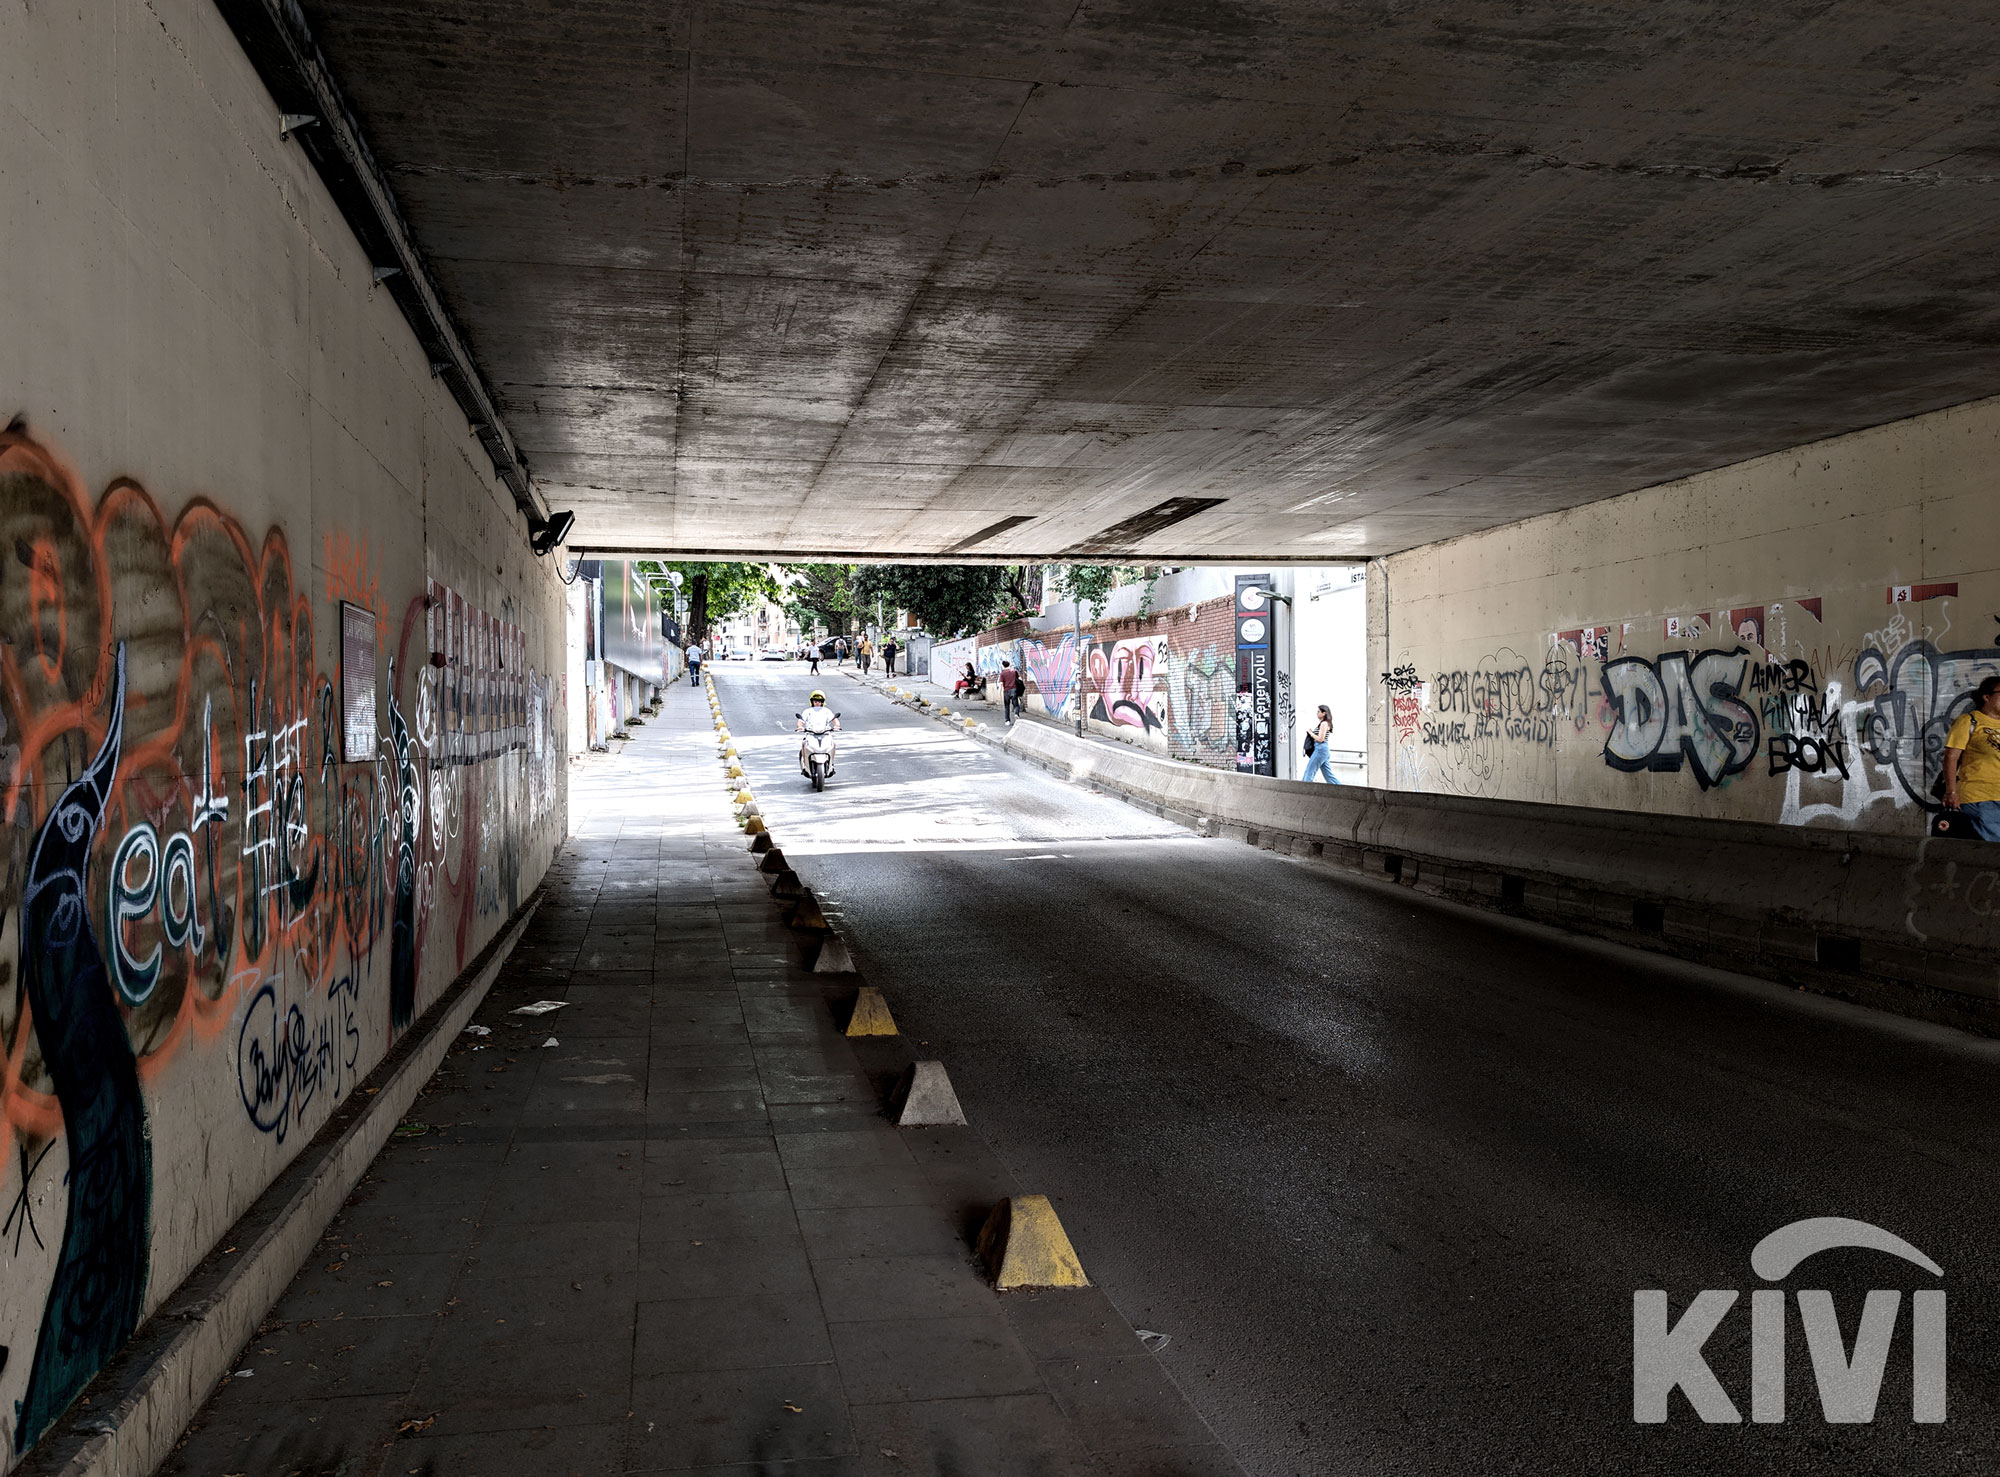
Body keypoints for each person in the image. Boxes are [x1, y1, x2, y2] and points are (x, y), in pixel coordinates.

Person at [1942, 674, 2000, 840]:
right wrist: (1951, 792)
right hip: (1980, 798)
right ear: (1987, 697)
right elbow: (1951, 758)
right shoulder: (1969, 721)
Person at [1301, 703, 1340, 783]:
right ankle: (1342, 789)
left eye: (1318, 711)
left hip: (1320, 749)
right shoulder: (1324, 723)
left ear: (1324, 713)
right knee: (1328, 776)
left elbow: (1320, 739)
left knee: (1309, 771)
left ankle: (1304, 789)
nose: (1317, 713)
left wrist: (1311, 733)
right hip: (1322, 749)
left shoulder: (1324, 723)